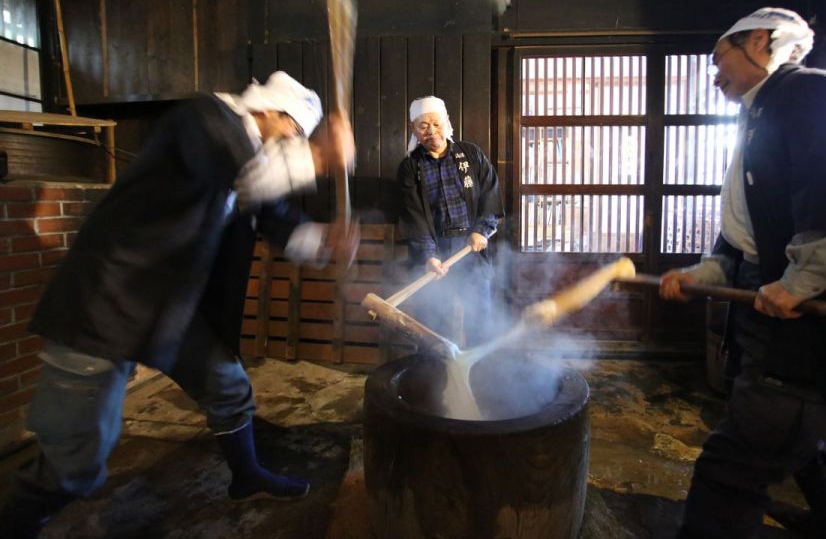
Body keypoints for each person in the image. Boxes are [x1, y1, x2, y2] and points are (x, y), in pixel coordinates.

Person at [0, 71, 359, 538]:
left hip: (166, 308)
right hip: (105, 302)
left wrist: (327, 241)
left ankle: (246, 476)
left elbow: (279, 221)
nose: (292, 141)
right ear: (270, 110)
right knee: (78, 460)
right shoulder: (204, 121)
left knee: (229, 387)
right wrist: (318, 158)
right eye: (293, 130)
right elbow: (234, 167)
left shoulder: (252, 161)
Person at [658, 8, 826, 538]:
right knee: (793, 438)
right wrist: (708, 271)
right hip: (769, 301)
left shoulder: (814, 95)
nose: (714, 71)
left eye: (719, 57)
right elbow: (748, 229)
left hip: (808, 330)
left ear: (761, 42)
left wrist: (797, 284)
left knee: (730, 471)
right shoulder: (763, 112)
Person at [397, 96, 503, 347]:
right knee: (435, 320)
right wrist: (428, 255)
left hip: (472, 246)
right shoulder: (411, 167)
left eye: (436, 123)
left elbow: (490, 192)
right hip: (437, 251)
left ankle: (478, 374)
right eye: (423, 126)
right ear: (414, 129)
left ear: (447, 123)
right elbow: (414, 216)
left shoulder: (471, 154)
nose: (431, 131)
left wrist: (482, 230)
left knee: (480, 317)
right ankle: (439, 377)